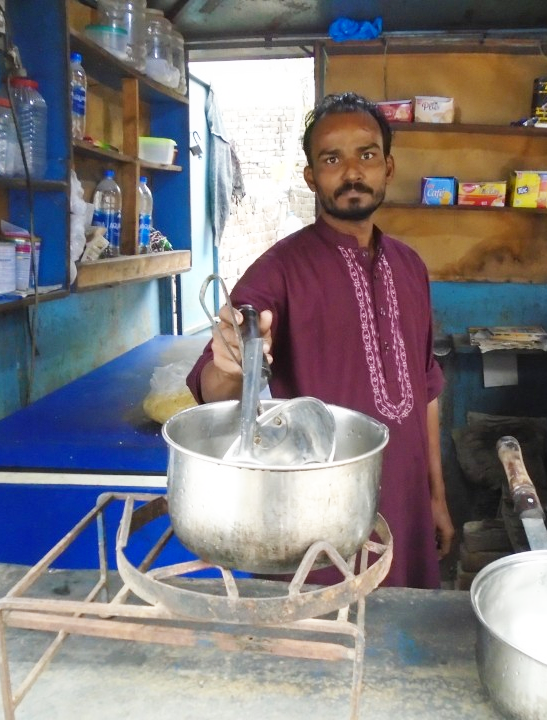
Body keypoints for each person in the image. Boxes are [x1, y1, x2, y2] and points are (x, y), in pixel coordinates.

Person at [186, 92, 454, 589]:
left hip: (408, 506)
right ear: (311, 177)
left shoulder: (411, 267)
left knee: (408, 627)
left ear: (388, 166)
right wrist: (230, 363)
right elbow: (212, 388)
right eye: (332, 159)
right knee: (325, 626)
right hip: (319, 518)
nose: (352, 172)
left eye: (366, 155)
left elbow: (426, 391)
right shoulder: (278, 270)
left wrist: (436, 497)